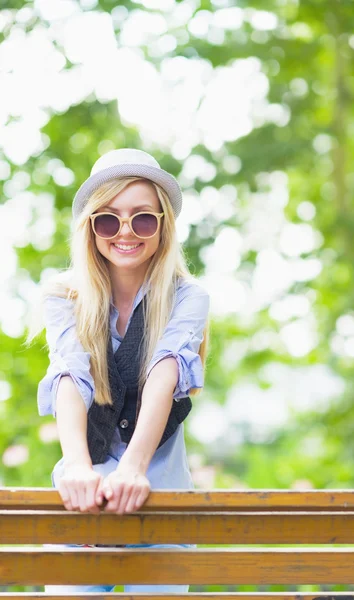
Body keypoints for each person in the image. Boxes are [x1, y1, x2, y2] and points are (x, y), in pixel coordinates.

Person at [29, 148, 210, 594]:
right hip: (82, 500)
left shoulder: (188, 297)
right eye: (108, 219)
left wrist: (132, 470)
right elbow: (71, 377)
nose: (125, 232)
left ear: (163, 225)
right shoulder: (63, 296)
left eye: (142, 218)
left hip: (159, 498)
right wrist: (76, 468)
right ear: (91, 229)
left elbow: (164, 372)